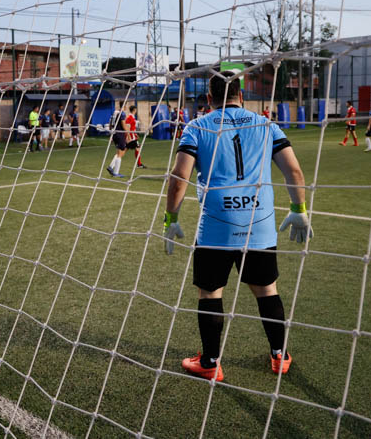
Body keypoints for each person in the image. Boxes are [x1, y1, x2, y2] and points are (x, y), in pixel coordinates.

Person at [163, 71, 313, 382]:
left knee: (210, 293)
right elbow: (294, 171)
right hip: (259, 223)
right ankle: (279, 356)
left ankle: (210, 362)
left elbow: (179, 180)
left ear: (209, 99)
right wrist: (299, 209)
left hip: (217, 226)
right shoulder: (266, 124)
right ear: (241, 96)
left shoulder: (197, 126)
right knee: (266, 290)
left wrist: (171, 218)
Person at [106, 113, 128, 178]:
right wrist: (128, 134)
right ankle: (116, 173)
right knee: (121, 153)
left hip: (115, 133)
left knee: (119, 152)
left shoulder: (113, 114)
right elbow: (123, 125)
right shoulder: (122, 113)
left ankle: (111, 166)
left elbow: (110, 124)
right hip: (120, 134)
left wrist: (111, 134)